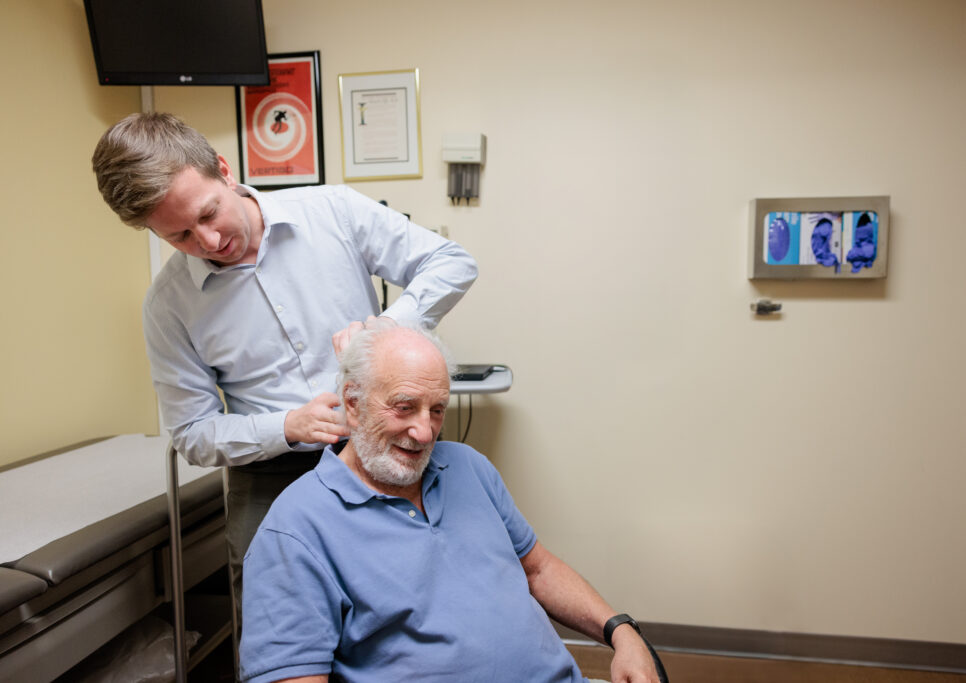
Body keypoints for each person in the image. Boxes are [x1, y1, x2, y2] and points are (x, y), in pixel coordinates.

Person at [91, 112, 478, 620]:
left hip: (381, 444)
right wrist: (287, 427)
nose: (207, 243)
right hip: (271, 472)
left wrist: (385, 329)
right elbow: (192, 432)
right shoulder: (168, 306)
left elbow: (452, 262)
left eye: (209, 214)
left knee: (414, 605)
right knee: (273, 620)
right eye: (179, 236)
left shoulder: (331, 211)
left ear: (225, 171)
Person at [239, 322, 661, 683]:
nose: (425, 433)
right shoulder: (295, 530)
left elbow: (539, 567)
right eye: (405, 407)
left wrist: (622, 632)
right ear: (353, 404)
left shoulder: (467, 466)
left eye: (437, 409)